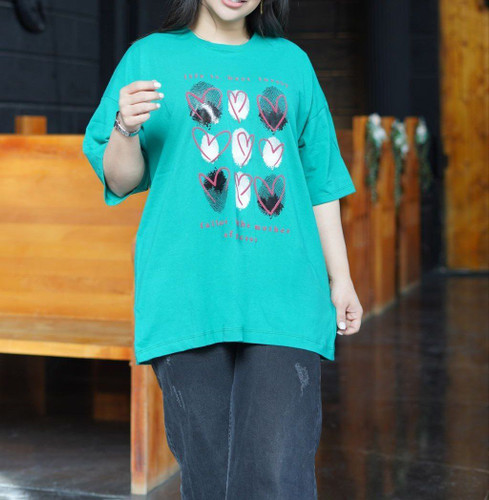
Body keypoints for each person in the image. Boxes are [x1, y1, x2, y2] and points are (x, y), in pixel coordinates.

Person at [83, 0, 363, 498]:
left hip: (284, 295)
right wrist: (125, 127)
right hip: (186, 292)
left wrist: (340, 279)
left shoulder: (292, 63)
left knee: (278, 477)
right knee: (209, 478)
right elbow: (120, 180)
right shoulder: (149, 57)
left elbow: (321, 183)